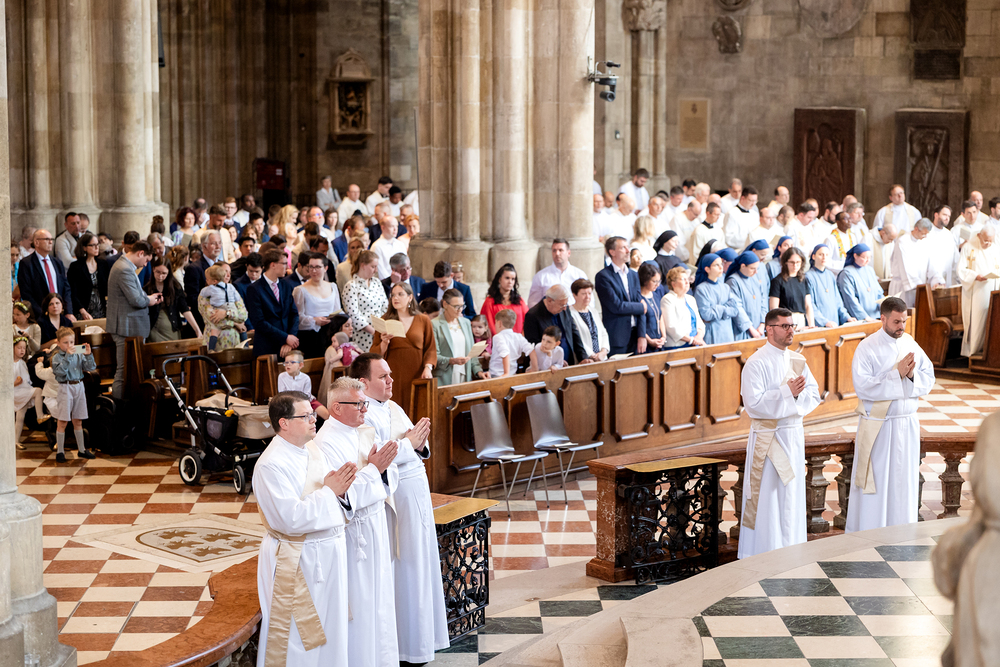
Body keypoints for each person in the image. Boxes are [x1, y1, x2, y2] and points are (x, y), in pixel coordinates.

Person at [348, 355, 450, 664]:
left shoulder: (392, 407)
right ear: (363, 383)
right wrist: (409, 443)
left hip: (416, 495)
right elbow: (376, 457)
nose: (391, 380)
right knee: (407, 567)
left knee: (423, 563)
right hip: (397, 503)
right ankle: (408, 647)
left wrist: (417, 443)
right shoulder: (364, 415)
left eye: (390, 374)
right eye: (383, 376)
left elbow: (413, 444)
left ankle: (424, 639)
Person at [254, 391, 356, 667]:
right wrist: (330, 492)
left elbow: (335, 491)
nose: (314, 420)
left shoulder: (311, 449)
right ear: (284, 423)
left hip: (328, 553)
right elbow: (290, 519)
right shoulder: (270, 465)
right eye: (306, 416)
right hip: (298, 559)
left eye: (312, 414)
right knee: (299, 637)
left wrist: (340, 492)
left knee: (332, 629)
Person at [314, 378, 400, 667]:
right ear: (337, 408)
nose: (365, 409)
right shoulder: (325, 443)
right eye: (359, 404)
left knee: (381, 601)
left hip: (376, 525)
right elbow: (343, 494)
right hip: (355, 536)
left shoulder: (363, 432)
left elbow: (388, 474)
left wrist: (381, 470)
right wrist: (375, 470)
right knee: (361, 605)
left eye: (365, 403)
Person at [736, 308, 821, 558]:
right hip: (768, 439)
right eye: (785, 326)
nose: (791, 331)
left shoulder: (797, 360)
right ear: (769, 329)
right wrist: (787, 393)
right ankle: (764, 552)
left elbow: (813, 394)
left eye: (792, 326)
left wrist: (793, 398)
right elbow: (753, 405)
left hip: (792, 435)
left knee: (791, 494)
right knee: (768, 497)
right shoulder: (756, 363)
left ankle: (791, 549)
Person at [845, 297, 935, 532]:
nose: (901, 326)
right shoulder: (867, 347)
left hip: (907, 424)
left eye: (904, 321)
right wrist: (897, 375)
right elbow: (863, 386)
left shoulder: (910, 342)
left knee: (903, 482)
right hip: (880, 427)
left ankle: (901, 533)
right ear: (883, 318)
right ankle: (870, 532)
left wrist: (912, 376)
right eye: (896, 322)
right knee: (877, 483)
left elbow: (929, 376)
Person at [107, 240, 161, 397]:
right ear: (140, 253)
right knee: (123, 372)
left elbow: (135, 294)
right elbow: (136, 300)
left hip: (129, 327)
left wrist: (147, 297)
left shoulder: (126, 266)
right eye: (146, 260)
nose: (145, 264)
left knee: (129, 372)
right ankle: (119, 407)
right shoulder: (124, 269)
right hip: (125, 328)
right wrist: (149, 300)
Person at [372, 282, 436, 412]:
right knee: (395, 411)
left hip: (418, 373)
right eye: (393, 295)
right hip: (393, 374)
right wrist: (384, 343)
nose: (395, 298)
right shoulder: (384, 320)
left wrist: (428, 368)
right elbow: (374, 353)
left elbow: (430, 348)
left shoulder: (423, 319)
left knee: (418, 409)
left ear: (410, 297)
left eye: (400, 294)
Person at [50, 327, 98, 462]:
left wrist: (88, 355)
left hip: (79, 386)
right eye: (65, 342)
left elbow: (90, 368)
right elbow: (60, 372)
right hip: (65, 387)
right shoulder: (57, 357)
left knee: (78, 420)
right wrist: (68, 356)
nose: (69, 345)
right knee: (63, 421)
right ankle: (60, 451)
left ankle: (81, 450)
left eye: (71, 342)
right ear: (58, 343)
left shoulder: (78, 354)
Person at [245, 249, 300, 361]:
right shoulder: (254, 289)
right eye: (284, 263)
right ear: (273, 265)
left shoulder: (286, 285)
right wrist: (285, 337)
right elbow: (259, 322)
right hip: (267, 347)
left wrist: (290, 339)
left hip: (288, 347)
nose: (287, 267)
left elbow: (294, 314)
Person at [595, 236, 647, 355]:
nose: (628, 251)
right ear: (612, 252)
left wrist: (642, 335)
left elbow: (640, 304)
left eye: (628, 247)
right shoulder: (603, 276)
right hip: (617, 336)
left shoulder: (633, 274)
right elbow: (616, 306)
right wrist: (640, 307)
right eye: (623, 248)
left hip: (636, 334)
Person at [958, 223, 1000, 357]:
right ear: (979, 235)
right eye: (986, 240)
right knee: (977, 322)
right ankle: (974, 352)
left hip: (994, 291)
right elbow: (960, 270)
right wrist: (975, 276)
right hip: (976, 292)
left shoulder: (995, 248)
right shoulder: (968, 247)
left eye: (990, 240)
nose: (988, 243)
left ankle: (989, 353)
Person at [522, 284, 588, 365]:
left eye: (566, 304)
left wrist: (583, 357)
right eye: (562, 305)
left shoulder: (564, 308)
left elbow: (574, 333)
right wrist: (557, 361)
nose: (565, 308)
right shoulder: (532, 315)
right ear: (550, 301)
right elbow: (535, 346)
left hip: (568, 363)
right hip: (545, 366)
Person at [432, 287, 487, 385]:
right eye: (456, 306)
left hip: (465, 374)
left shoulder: (466, 323)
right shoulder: (434, 324)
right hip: (444, 377)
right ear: (445, 304)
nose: (460, 310)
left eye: (462, 306)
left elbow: (472, 353)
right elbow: (433, 355)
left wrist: (479, 371)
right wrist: (452, 361)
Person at [292, 252, 341, 359]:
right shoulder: (300, 290)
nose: (314, 271)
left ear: (325, 268)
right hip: (310, 337)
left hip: (330, 333)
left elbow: (338, 310)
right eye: (311, 267)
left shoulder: (333, 286)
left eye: (317, 267)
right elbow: (297, 317)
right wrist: (314, 320)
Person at [18, 229, 75, 321]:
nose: (50, 242)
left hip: (60, 315)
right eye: (47, 239)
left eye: (51, 239)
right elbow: (26, 293)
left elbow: (66, 288)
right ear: (36, 242)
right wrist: (42, 314)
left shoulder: (57, 262)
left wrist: (69, 312)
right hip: (40, 316)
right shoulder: (26, 263)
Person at [888, 217, 943, 308]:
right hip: (903, 288)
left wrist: (936, 280)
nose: (925, 236)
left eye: (926, 234)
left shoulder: (925, 242)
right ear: (916, 229)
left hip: (920, 287)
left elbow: (931, 264)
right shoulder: (903, 242)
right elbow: (906, 268)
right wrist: (922, 287)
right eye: (923, 234)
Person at [342, 249, 388, 352]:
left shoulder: (377, 283)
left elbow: (385, 306)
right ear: (363, 265)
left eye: (376, 266)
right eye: (373, 267)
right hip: (364, 336)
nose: (376, 270)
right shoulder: (351, 286)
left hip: (381, 333)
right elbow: (354, 315)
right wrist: (373, 332)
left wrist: (383, 329)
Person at [145, 259, 201, 342]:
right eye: (158, 272)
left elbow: (185, 309)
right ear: (153, 269)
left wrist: (197, 330)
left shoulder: (175, 287)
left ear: (169, 272)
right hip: (153, 329)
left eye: (164, 273)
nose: (160, 276)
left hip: (171, 328)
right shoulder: (147, 288)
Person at [198, 264, 248, 351]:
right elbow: (215, 319)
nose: (227, 275)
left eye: (229, 272)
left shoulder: (232, 291)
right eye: (225, 272)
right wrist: (236, 324)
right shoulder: (205, 295)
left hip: (235, 342)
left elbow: (243, 315)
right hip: (216, 343)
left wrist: (226, 313)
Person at [527, 239, 588, 309]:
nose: (557, 253)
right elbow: (533, 303)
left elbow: (588, 300)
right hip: (549, 314)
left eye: (560, 250)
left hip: (574, 313)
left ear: (568, 253)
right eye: (554, 250)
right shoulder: (541, 276)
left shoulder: (579, 275)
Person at [693, 253, 739, 345]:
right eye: (716, 265)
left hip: (727, 332)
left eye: (721, 264)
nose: (721, 267)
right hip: (712, 332)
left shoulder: (725, 287)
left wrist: (715, 308)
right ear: (707, 269)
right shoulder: (701, 289)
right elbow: (706, 314)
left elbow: (734, 310)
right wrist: (725, 308)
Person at [806, 245, 854, 328]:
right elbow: (810, 304)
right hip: (820, 324)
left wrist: (847, 317)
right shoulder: (808, 276)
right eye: (821, 254)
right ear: (813, 256)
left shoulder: (830, 274)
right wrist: (824, 322)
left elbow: (838, 300)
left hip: (834, 322)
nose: (824, 257)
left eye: (827, 255)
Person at [14, 335, 49, 448]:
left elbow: (26, 379)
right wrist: (15, 383)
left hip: (23, 391)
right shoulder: (8, 364)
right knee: (38, 391)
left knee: (20, 417)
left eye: (24, 348)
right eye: (19, 348)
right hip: (15, 391)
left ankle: (16, 441)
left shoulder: (22, 362)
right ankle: (40, 416)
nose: (22, 350)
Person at [661, 266, 706, 349]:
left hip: (695, 343)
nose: (687, 282)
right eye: (683, 279)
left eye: (687, 279)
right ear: (673, 284)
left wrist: (699, 337)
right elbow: (671, 327)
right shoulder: (667, 299)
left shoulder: (691, 299)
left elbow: (699, 323)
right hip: (678, 346)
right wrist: (691, 340)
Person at [277, 351, 331, 420]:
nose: (288, 365)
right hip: (289, 403)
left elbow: (307, 395)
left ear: (300, 365)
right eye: (286, 362)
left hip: (306, 401)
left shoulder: (306, 378)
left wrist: (303, 404)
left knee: (325, 413)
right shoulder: (282, 376)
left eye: (292, 362)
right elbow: (282, 394)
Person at [769, 247, 815, 328]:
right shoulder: (777, 281)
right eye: (792, 262)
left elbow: (808, 305)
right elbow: (774, 307)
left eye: (798, 262)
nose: (795, 265)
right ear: (786, 262)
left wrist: (811, 325)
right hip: (785, 320)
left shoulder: (804, 280)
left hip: (801, 319)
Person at [725, 251, 766, 340]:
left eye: (757, 268)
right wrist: (750, 328)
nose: (756, 272)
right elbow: (737, 307)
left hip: (759, 329)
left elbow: (763, 301)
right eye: (752, 268)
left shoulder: (755, 279)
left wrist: (762, 324)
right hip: (743, 331)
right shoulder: (733, 281)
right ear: (743, 266)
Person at [837, 243, 882, 322]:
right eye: (864, 257)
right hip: (859, 319)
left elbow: (879, 293)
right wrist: (864, 317)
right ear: (855, 256)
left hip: (876, 315)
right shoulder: (846, 273)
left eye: (869, 257)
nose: (868, 260)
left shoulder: (870, 270)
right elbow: (850, 299)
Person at [481, 263, 529, 335]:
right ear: (499, 279)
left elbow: (527, 321)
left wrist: (520, 337)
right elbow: (489, 324)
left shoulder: (519, 300)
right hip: (497, 339)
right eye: (507, 278)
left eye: (513, 279)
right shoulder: (490, 301)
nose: (510, 282)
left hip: (518, 339)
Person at [568, 279, 609, 362]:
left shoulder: (593, 311)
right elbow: (577, 339)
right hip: (585, 359)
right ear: (574, 295)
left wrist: (603, 352)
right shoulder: (570, 313)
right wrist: (592, 355)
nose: (587, 297)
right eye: (583, 294)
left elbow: (603, 333)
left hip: (601, 358)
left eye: (589, 293)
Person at [489, 309, 533, 377]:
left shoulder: (498, 337)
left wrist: (506, 373)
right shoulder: (519, 337)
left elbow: (505, 353)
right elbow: (531, 350)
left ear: (499, 323)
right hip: (512, 374)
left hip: (498, 375)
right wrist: (535, 368)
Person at [636, 263, 666, 353]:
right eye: (654, 281)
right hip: (645, 343)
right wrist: (650, 341)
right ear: (645, 280)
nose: (657, 285)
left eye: (659, 281)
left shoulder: (656, 295)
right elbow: (637, 323)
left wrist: (663, 336)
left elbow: (660, 317)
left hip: (658, 341)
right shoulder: (638, 298)